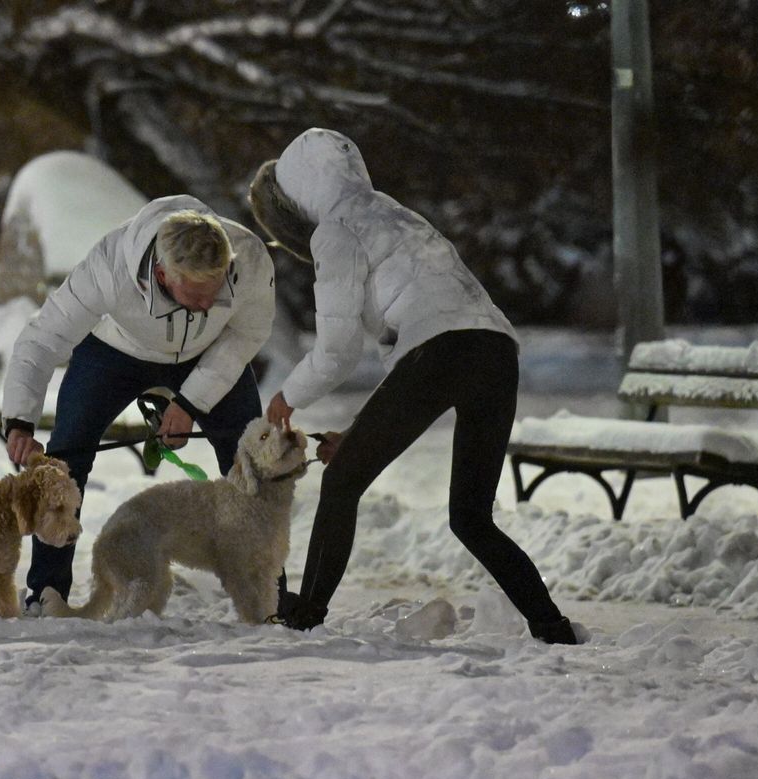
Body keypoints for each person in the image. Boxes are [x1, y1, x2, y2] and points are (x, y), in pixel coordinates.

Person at [248, 127, 578, 644]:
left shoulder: (335, 229)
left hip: (441, 352)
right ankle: (550, 626)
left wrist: (287, 397)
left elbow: (337, 350)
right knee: (470, 516)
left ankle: (305, 616)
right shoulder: (398, 215)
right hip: (495, 351)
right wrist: (358, 437)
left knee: (340, 486)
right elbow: (414, 354)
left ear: (299, 192)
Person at [2, 198, 276, 614]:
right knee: (65, 456)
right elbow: (43, 340)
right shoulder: (109, 267)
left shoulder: (249, 257)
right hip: (116, 350)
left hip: (212, 352)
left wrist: (190, 402)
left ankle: (270, 591)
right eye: (197, 295)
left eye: (216, 292)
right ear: (162, 275)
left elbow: (245, 336)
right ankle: (46, 590)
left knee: (250, 457)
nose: (207, 305)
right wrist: (20, 421)